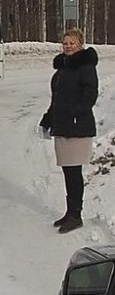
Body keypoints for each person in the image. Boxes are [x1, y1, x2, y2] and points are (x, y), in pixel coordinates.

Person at [39, 29, 98, 234]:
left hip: (77, 127)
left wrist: (74, 112)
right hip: (63, 125)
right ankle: (70, 211)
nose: (68, 46)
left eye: (72, 43)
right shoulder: (62, 69)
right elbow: (56, 99)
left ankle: (76, 215)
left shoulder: (86, 67)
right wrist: (47, 118)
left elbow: (90, 95)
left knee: (74, 171)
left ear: (80, 44)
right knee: (67, 170)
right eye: (65, 43)